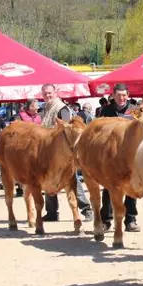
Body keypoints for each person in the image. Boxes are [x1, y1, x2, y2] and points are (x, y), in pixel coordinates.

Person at [40, 83, 93, 223]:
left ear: (55, 92)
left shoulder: (62, 108)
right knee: (48, 178)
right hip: (50, 149)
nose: (47, 96)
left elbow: (68, 130)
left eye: (49, 93)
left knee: (71, 179)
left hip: (65, 151)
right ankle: (51, 212)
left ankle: (86, 209)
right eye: (45, 93)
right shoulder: (46, 107)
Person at [99, 83, 141, 233]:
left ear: (128, 95)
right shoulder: (106, 110)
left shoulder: (135, 110)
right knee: (109, 187)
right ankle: (106, 220)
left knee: (131, 187)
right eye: (118, 95)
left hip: (131, 154)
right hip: (111, 155)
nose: (121, 98)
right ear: (113, 96)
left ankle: (131, 220)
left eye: (124, 95)